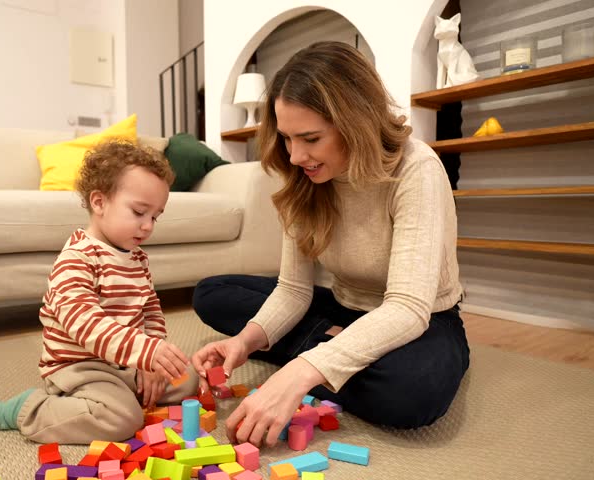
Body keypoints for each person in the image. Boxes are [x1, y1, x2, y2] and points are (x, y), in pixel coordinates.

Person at [191, 41, 470, 447]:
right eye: (287, 138)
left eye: (310, 138)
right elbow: (293, 290)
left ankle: (318, 353)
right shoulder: (305, 175)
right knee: (211, 294)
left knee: (413, 392)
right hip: (344, 306)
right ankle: (335, 349)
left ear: (355, 122)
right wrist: (245, 342)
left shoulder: (417, 168)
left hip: (424, 317)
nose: (295, 155)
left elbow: (408, 308)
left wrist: (301, 371)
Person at [0, 140, 197, 444]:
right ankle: (28, 409)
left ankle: (128, 389)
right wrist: (144, 352)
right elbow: (86, 325)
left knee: (187, 377)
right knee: (122, 420)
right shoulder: (76, 259)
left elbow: (150, 310)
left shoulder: (137, 258)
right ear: (99, 202)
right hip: (81, 366)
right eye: (139, 212)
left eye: (155, 217)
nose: (147, 227)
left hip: (125, 360)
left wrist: (152, 360)